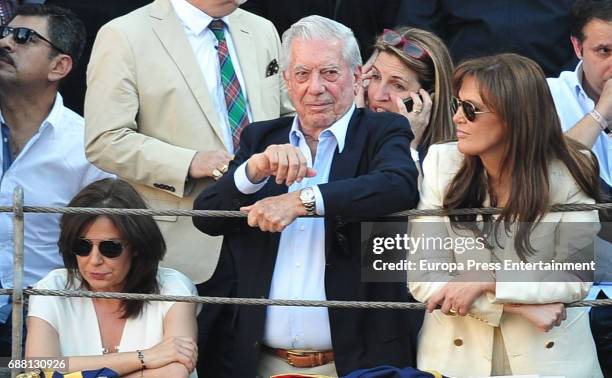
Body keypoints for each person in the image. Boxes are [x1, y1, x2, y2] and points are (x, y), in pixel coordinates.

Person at [193, 15, 420, 378]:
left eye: (329, 73)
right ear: (286, 80)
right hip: (258, 362)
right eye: (302, 74)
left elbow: (398, 184)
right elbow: (206, 217)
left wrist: (301, 202)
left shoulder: (383, 129)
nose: (315, 88)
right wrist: (254, 171)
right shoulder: (261, 138)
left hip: (355, 364)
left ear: (357, 75)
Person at [409, 53, 603, 377]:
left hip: (552, 361)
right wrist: (521, 305)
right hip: (456, 358)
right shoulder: (442, 164)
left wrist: (489, 280)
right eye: (457, 105)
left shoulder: (572, 169)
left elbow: (574, 277)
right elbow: (424, 278)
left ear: (515, 116)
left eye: (470, 109)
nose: (457, 118)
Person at [84, 0, 294, 286]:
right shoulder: (125, 35)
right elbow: (105, 140)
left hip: (268, 231)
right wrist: (190, 162)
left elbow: (288, 115)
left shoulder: (261, 28)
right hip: (181, 242)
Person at [0, 4, 112, 356]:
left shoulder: (88, 148)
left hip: (43, 321)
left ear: (59, 66)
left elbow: (105, 251)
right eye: (3, 33)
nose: (5, 42)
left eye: (23, 37)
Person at [26, 178, 199, 378]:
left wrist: (70, 372)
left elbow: (174, 373)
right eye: (82, 246)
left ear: (136, 246)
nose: (94, 260)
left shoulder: (173, 287)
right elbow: (37, 370)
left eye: (110, 248)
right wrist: (144, 358)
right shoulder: (51, 288)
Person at [546, 1, 612, 373]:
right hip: (567, 302)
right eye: (604, 51)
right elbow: (543, 169)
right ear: (577, 48)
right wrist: (602, 111)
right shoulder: (547, 95)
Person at [395, 0, 577, 78]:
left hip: (553, 97)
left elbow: (596, 34)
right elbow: (415, 35)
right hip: (461, 97)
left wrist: (562, 89)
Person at [357, 26, 454, 166]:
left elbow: (391, 186)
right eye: (376, 76)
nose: (378, 95)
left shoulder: (446, 160)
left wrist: (408, 142)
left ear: (428, 97)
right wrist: (356, 127)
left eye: (397, 85)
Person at [240, 0, 400, 62]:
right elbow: (249, 18)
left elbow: (393, 30)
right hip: (286, 71)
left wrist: (373, 64)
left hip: (359, 75)